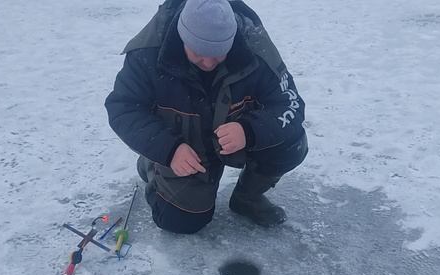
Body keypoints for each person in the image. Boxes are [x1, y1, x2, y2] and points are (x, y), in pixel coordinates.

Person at [105, 0, 308, 234]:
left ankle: (247, 197)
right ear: (182, 37)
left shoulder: (256, 46)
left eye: (219, 53)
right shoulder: (147, 53)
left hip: (234, 137)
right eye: (199, 53)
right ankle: (152, 166)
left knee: (291, 143)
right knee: (180, 221)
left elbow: (289, 104)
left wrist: (249, 131)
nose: (209, 62)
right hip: (182, 142)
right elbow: (123, 107)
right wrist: (167, 150)